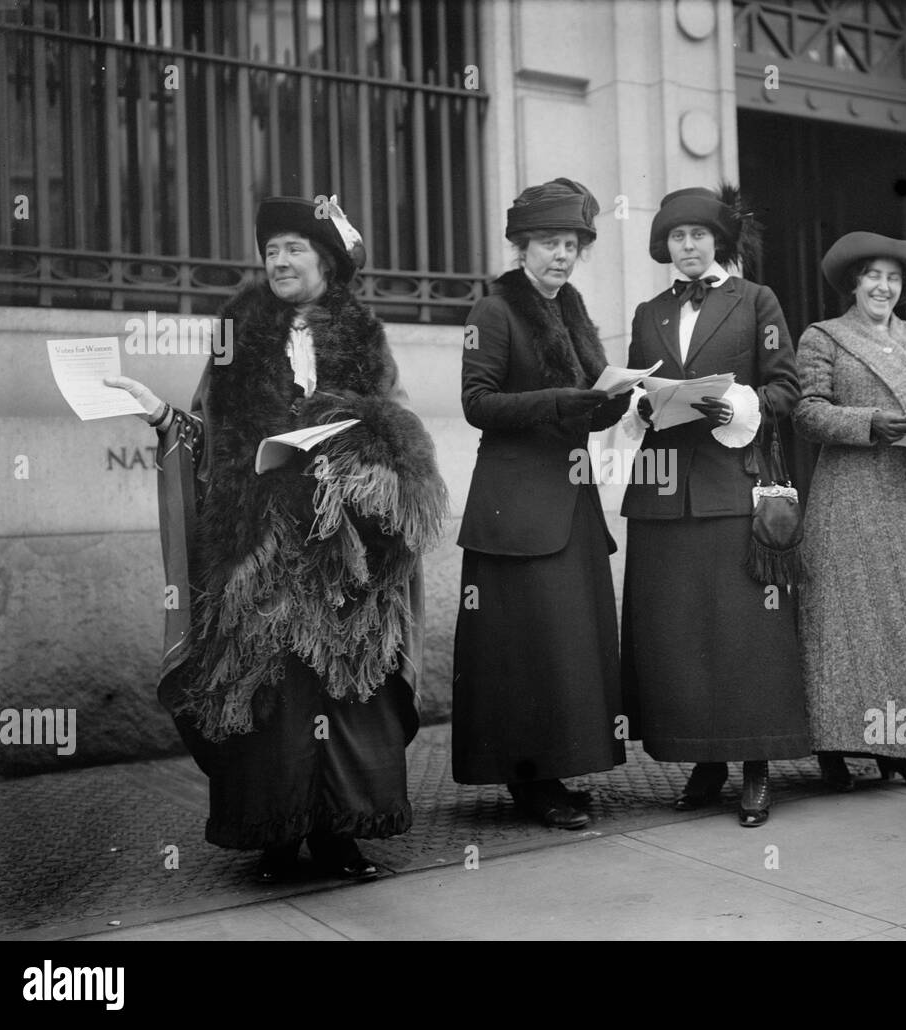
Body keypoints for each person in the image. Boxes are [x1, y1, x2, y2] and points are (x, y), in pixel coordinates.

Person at [106, 196, 448, 882]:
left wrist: (353, 470)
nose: (280, 261)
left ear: (325, 260)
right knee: (273, 696)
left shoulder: (362, 335)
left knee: (350, 692)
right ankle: (276, 835)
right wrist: (161, 417)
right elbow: (207, 438)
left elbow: (403, 436)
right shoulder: (237, 334)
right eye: (271, 251)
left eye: (295, 249)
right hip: (260, 546)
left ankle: (341, 835)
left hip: (344, 550)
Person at [620, 184, 811, 828]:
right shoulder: (649, 312)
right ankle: (705, 759)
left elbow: (788, 386)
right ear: (665, 247)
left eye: (700, 235)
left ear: (720, 242)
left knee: (742, 634)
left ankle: (755, 767)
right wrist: (644, 406)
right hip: (666, 490)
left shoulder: (756, 300)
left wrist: (744, 405)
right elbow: (635, 390)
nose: (690, 246)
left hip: (734, 484)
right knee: (680, 633)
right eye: (678, 237)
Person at [452, 178, 630, 829]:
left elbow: (590, 398)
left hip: (571, 502)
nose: (561, 255)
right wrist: (560, 401)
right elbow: (478, 404)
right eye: (548, 243)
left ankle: (556, 771)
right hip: (514, 509)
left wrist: (618, 398)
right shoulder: (493, 311)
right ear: (522, 246)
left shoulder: (572, 309)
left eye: (571, 245)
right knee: (523, 651)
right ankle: (530, 783)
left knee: (565, 647)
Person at [793, 232, 906, 793]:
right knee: (838, 624)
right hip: (847, 497)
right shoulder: (824, 337)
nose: (883, 287)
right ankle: (835, 748)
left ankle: (902, 749)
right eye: (872, 276)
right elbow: (807, 411)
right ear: (854, 284)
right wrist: (869, 423)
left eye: (893, 278)